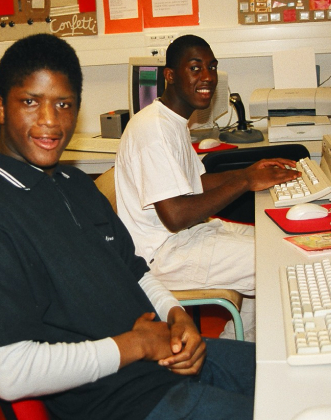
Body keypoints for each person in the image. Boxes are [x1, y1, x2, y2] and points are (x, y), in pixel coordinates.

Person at [0, 33, 256, 420]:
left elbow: (134, 271)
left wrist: (176, 315)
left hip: (166, 359)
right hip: (125, 401)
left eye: (63, 104)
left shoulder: (73, 183)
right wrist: (136, 346)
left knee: (298, 372)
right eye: (30, 102)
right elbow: (8, 372)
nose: (50, 121)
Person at [115, 34, 301, 341]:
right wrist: (244, 181)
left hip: (184, 238)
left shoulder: (171, 120)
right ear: (170, 75)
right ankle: (241, 350)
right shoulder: (153, 130)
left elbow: (196, 184)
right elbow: (174, 216)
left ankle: (239, 345)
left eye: (211, 67)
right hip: (161, 255)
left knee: (279, 240)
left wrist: (252, 171)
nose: (207, 77)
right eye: (195, 68)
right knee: (279, 260)